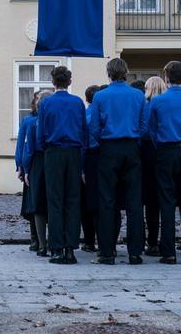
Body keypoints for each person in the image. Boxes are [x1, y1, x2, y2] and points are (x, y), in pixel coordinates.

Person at [87, 58, 146, 265]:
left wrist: (103, 140)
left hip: (108, 148)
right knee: (134, 203)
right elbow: (143, 124)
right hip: (131, 147)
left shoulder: (100, 96)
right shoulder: (138, 95)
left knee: (107, 201)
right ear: (126, 72)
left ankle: (107, 251)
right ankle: (135, 252)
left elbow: (93, 127)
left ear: (109, 73)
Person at [147, 61, 181, 265]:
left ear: (166, 78)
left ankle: (168, 252)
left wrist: (161, 143)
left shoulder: (157, 102)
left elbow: (151, 128)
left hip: (166, 150)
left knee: (167, 202)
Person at [38, 66, 87, 264]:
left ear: (53, 82)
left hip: (53, 151)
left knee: (55, 200)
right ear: (70, 81)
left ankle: (56, 247)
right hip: (74, 152)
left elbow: (40, 131)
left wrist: (46, 150)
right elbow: (84, 131)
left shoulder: (46, 103)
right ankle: (70, 248)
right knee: (73, 200)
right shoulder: (77, 103)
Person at [23, 91, 53, 257]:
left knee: (38, 205)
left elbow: (29, 149)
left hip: (37, 163)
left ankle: (42, 245)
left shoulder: (34, 122)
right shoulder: (56, 120)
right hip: (53, 159)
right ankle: (56, 242)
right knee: (54, 203)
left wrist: (26, 169)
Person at [141, 76, 167, 257]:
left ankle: (152, 241)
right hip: (166, 151)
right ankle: (166, 241)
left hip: (148, 154)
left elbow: (144, 130)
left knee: (150, 203)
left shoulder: (147, 105)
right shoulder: (166, 103)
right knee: (165, 200)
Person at [16, 91, 42, 253]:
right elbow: (21, 144)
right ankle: (35, 238)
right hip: (31, 165)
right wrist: (19, 165)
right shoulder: (28, 120)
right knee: (32, 202)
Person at [80, 86, 100, 253]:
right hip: (105, 156)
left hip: (89, 160)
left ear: (86, 99)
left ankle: (89, 241)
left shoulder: (85, 115)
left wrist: (81, 168)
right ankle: (105, 240)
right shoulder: (103, 113)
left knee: (87, 203)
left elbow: (83, 144)